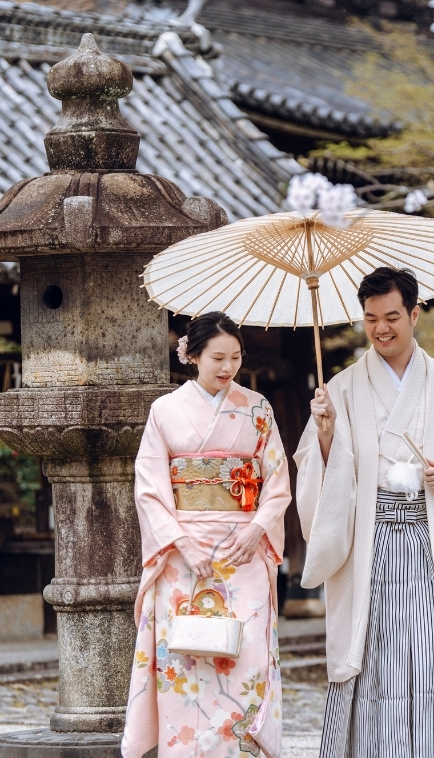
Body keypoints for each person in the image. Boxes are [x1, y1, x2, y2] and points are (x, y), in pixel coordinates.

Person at [293, 267, 434, 758]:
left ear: (414, 313)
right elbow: (317, 472)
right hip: (371, 539)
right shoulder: (340, 389)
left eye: (392, 317)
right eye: (370, 319)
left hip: (431, 540)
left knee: (429, 652)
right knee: (372, 653)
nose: (381, 329)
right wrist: (325, 436)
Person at [121, 311, 290, 758]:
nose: (227, 367)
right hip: (182, 556)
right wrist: (178, 541)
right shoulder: (165, 411)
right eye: (218, 357)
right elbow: (151, 488)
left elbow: (276, 483)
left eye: (235, 357)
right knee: (185, 659)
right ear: (192, 355)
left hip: (243, 553)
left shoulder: (257, 409)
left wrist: (257, 530)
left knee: (247, 658)